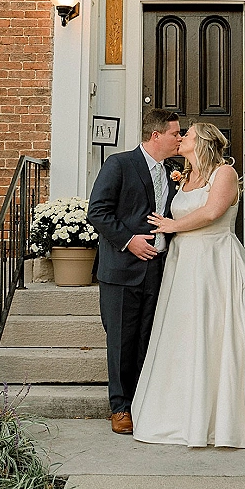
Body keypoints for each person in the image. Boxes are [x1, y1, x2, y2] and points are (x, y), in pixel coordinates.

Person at [131, 122, 245, 448]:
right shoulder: (182, 175)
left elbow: (211, 213)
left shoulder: (223, 173)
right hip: (183, 265)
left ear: (203, 142)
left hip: (215, 261)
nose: (181, 139)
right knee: (186, 335)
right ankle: (183, 414)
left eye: (188, 135)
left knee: (219, 332)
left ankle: (226, 418)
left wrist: (172, 225)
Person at [87, 108, 182, 435]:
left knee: (147, 339)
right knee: (121, 341)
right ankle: (120, 407)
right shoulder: (119, 164)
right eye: (175, 133)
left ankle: (143, 402)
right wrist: (129, 241)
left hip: (158, 270)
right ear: (156, 136)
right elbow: (97, 211)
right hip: (122, 270)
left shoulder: (173, 171)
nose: (179, 139)